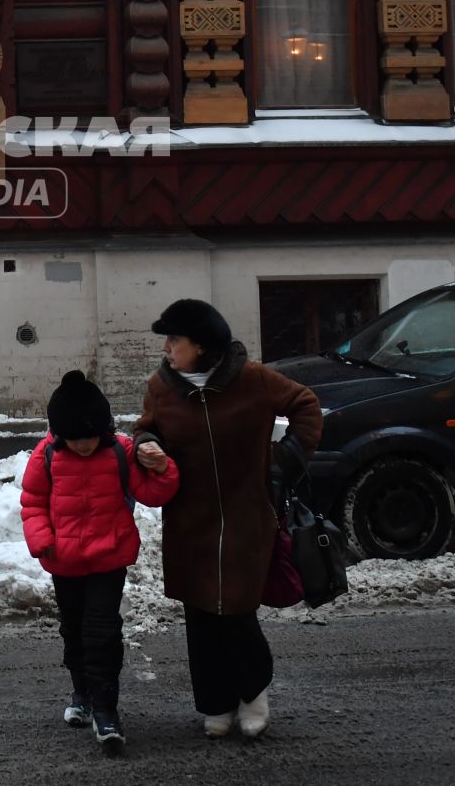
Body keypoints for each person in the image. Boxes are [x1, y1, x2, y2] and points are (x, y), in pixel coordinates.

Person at [132, 299, 321, 740]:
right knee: (200, 615)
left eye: (174, 339)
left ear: (200, 344)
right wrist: (146, 445)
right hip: (189, 520)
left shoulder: (252, 379)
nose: (166, 348)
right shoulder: (161, 386)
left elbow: (306, 405)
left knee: (237, 610)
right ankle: (215, 704)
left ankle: (253, 694)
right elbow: (146, 427)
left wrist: (285, 460)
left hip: (246, 514)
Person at [21, 369, 179, 755]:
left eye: (91, 436)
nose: (85, 445)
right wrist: (44, 541)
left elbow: (155, 493)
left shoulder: (122, 452)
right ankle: (81, 693)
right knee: (73, 630)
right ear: (60, 435)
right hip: (65, 562)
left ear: (105, 429)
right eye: (75, 438)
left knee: (102, 633)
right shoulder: (47, 457)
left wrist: (161, 468)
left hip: (109, 560)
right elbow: (32, 502)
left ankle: (107, 709)